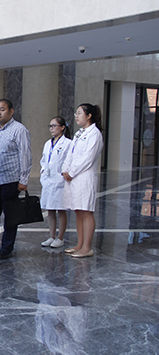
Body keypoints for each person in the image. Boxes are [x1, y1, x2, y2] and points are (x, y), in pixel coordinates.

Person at [0, 99, 32, 260]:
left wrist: (23, 180)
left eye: (2, 109)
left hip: (11, 181)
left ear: (11, 111)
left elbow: (25, 155)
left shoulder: (19, 130)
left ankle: (6, 247)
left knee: (10, 217)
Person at [62, 103, 104, 258]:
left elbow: (88, 158)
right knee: (78, 211)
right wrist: (65, 170)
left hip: (84, 177)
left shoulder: (95, 134)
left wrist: (72, 172)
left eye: (79, 113)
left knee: (86, 211)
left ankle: (87, 247)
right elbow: (70, 154)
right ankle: (79, 244)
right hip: (73, 178)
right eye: (76, 113)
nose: (76, 116)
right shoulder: (79, 133)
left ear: (89, 115)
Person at [39, 116, 72, 248]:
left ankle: (60, 238)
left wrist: (63, 173)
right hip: (48, 180)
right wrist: (43, 171)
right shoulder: (48, 143)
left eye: (54, 126)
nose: (51, 128)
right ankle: (51, 236)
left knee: (61, 209)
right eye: (50, 126)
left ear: (62, 127)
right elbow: (43, 160)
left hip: (60, 180)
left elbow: (68, 161)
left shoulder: (68, 143)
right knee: (50, 209)